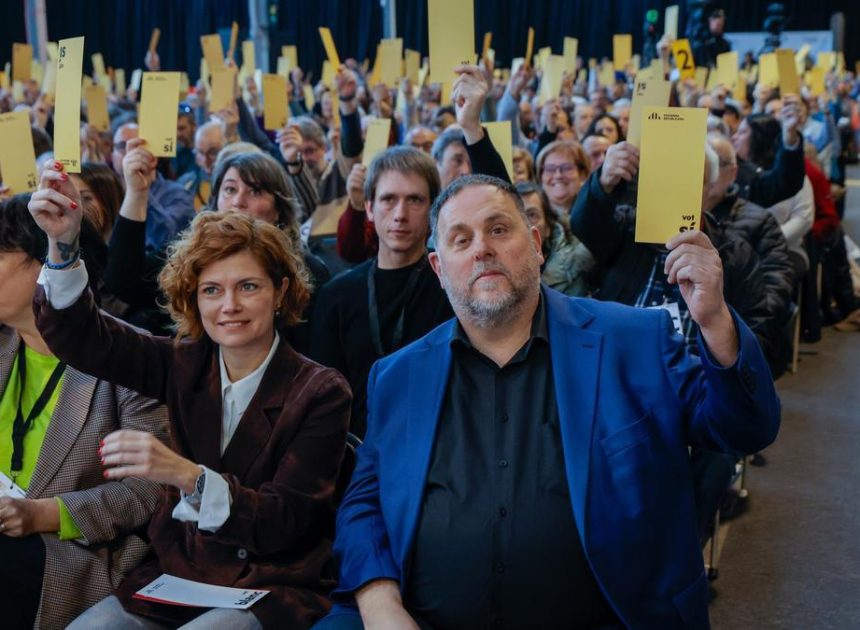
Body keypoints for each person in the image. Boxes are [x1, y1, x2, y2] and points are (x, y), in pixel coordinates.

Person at [322, 175, 780, 629]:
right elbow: (365, 503)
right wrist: (379, 602)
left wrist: (715, 319)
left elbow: (744, 428)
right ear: (440, 270)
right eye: (461, 240)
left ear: (537, 244)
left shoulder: (634, 341)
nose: (482, 248)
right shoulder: (398, 376)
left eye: (498, 230)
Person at [28, 167, 352, 629]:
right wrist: (62, 246)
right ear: (193, 299)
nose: (229, 306)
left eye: (248, 287)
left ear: (281, 292)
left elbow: (286, 521)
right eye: (212, 291)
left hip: (270, 584)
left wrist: (185, 475)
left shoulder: (321, 391)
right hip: (176, 578)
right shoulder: (181, 362)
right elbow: (84, 338)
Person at [0, 195, 168, 630]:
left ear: (46, 265)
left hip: (73, 550)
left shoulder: (126, 356)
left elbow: (147, 489)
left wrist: (45, 513)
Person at [311, 147, 453, 437]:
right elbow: (323, 397)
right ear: (369, 208)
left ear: (432, 209)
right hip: (356, 454)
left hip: (437, 448)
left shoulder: (453, 288)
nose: (400, 214)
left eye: (414, 200)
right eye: (389, 199)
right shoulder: (336, 296)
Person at [111, 123, 195, 254]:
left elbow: (168, 243)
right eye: (122, 146)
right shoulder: (108, 192)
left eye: (138, 147)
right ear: (112, 156)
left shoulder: (177, 193)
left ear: (153, 155)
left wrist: (141, 192)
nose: (130, 153)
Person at [517, 181, 593, 296]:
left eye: (532, 215)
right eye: (517, 215)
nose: (524, 223)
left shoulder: (574, 266)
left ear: (548, 227)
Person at [178, 120, 226, 211]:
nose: (206, 161)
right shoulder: (186, 183)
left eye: (213, 153)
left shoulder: (236, 187)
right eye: (200, 152)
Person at [536, 140, 591, 219]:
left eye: (567, 168)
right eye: (550, 169)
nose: (558, 175)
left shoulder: (595, 213)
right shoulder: (530, 217)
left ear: (582, 174)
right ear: (541, 175)